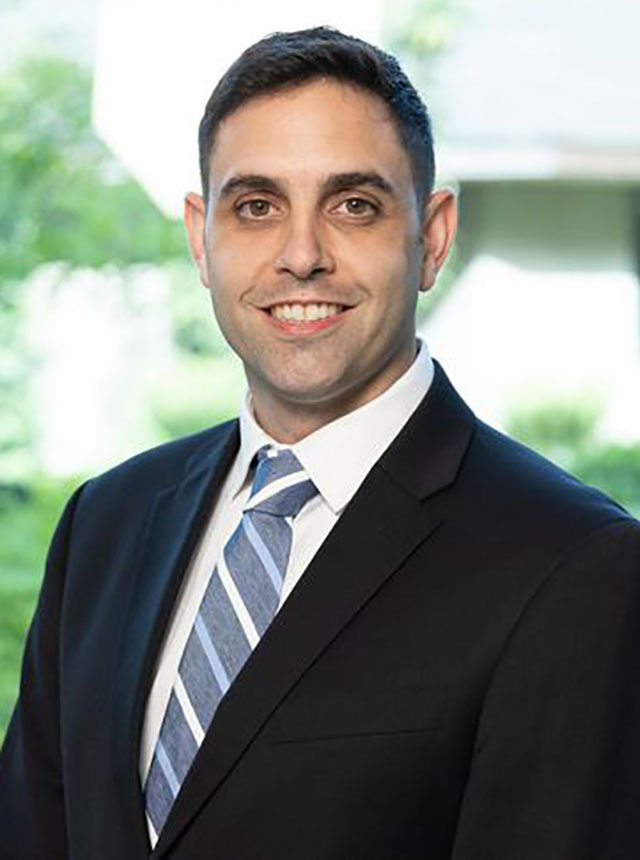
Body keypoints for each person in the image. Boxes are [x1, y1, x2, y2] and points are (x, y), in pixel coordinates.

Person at [1, 25, 639, 860]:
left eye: (354, 206)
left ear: (432, 236)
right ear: (202, 237)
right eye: (257, 207)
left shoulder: (575, 566)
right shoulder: (105, 524)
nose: (301, 256)